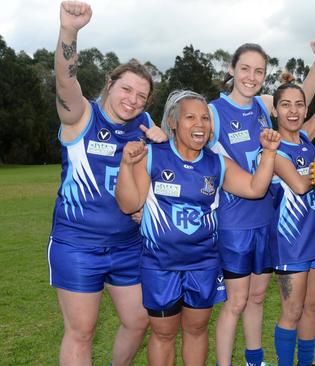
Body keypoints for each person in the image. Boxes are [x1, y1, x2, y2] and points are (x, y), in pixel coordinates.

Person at [115, 90, 280, 366]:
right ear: (173, 121)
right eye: (191, 117)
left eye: (205, 118)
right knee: (164, 334)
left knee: (196, 329)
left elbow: (255, 187)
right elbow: (129, 204)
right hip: (161, 265)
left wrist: (270, 153)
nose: (200, 124)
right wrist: (125, 165)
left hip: (202, 264)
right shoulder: (153, 155)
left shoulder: (216, 162)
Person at [48, 2, 166, 365]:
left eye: (141, 96)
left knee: (138, 320)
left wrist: (161, 151)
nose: (132, 100)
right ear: (109, 84)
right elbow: (66, 81)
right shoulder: (81, 115)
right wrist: (69, 31)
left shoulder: (144, 126)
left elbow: (154, 181)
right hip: (77, 244)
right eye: (126, 89)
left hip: (128, 245)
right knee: (81, 330)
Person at [208, 41, 315, 366]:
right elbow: (185, 136)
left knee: (257, 297)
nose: (251, 76)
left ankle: (254, 359)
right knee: (236, 301)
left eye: (259, 71)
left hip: (267, 219)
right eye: (245, 68)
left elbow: (301, 97)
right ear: (231, 69)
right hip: (234, 222)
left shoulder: (261, 105)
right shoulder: (215, 111)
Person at [269, 41, 315, 366]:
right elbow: (298, 185)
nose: (293, 111)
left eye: (299, 104)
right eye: (285, 105)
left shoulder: (308, 139)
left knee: (312, 307)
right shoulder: (272, 149)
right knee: (292, 310)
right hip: (289, 245)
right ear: (275, 110)